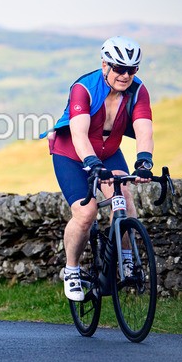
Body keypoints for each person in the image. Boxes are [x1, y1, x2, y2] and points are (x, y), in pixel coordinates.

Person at [48, 37, 153, 301]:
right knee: (86, 213)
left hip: (109, 153)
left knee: (124, 199)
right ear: (105, 64)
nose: (125, 75)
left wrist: (144, 161)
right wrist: (91, 163)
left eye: (132, 69)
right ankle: (72, 270)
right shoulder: (84, 88)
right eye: (119, 68)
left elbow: (144, 130)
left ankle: (126, 259)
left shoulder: (138, 91)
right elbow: (79, 134)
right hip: (71, 154)